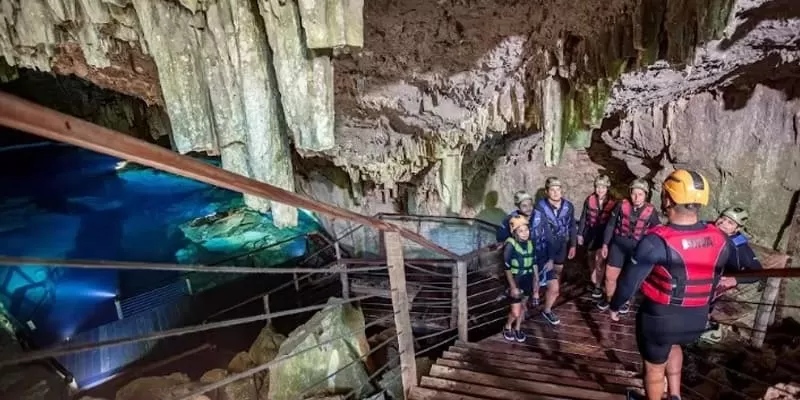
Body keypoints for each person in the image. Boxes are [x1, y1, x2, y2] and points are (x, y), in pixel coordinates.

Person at [608, 169, 738, 400]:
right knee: (675, 345)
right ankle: (675, 395)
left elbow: (630, 281)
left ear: (668, 199)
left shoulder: (656, 241)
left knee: (655, 369)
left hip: (660, 319)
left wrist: (616, 306)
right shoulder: (721, 238)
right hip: (697, 320)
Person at [596, 179, 661, 313]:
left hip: (636, 249)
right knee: (610, 276)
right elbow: (610, 225)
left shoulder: (651, 211)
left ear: (646, 195)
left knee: (628, 279)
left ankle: (624, 300)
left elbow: (657, 232)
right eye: (634, 194)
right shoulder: (621, 205)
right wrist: (605, 244)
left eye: (640, 194)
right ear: (630, 193)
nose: (636, 198)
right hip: (618, 246)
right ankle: (609, 299)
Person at [700, 206, 763, 343]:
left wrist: (735, 279)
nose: (722, 223)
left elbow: (757, 271)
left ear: (737, 229)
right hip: (697, 274)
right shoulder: (707, 226)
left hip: (715, 281)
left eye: (730, 222)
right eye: (722, 218)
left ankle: (704, 327)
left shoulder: (737, 245)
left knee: (705, 299)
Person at [531, 177, 575, 325]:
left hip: (561, 245)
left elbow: (571, 226)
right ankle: (536, 293)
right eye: (552, 190)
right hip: (544, 246)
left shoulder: (568, 206)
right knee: (539, 272)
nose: (556, 193)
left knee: (557, 271)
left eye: (558, 189)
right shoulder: (540, 207)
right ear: (547, 191)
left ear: (562, 190)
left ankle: (550, 298)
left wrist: (573, 244)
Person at [577, 175, 616, 299]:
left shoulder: (613, 202)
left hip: (603, 233)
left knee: (600, 260)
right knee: (590, 257)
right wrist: (580, 233)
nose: (600, 189)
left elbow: (614, 222)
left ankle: (598, 286)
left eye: (603, 187)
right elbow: (583, 217)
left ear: (607, 188)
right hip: (590, 232)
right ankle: (594, 280)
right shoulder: (589, 199)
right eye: (598, 187)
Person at [502, 215, 536, 342]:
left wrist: (536, 283)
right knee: (516, 311)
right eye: (521, 231)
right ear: (514, 232)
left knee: (523, 306)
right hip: (516, 280)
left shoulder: (530, 244)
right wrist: (513, 287)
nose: (525, 233)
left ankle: (517, 328)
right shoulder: (510, 245)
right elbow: (507, 268)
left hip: (527, 279)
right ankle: (507, 325)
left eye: (526, 230)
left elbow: (534, 264)